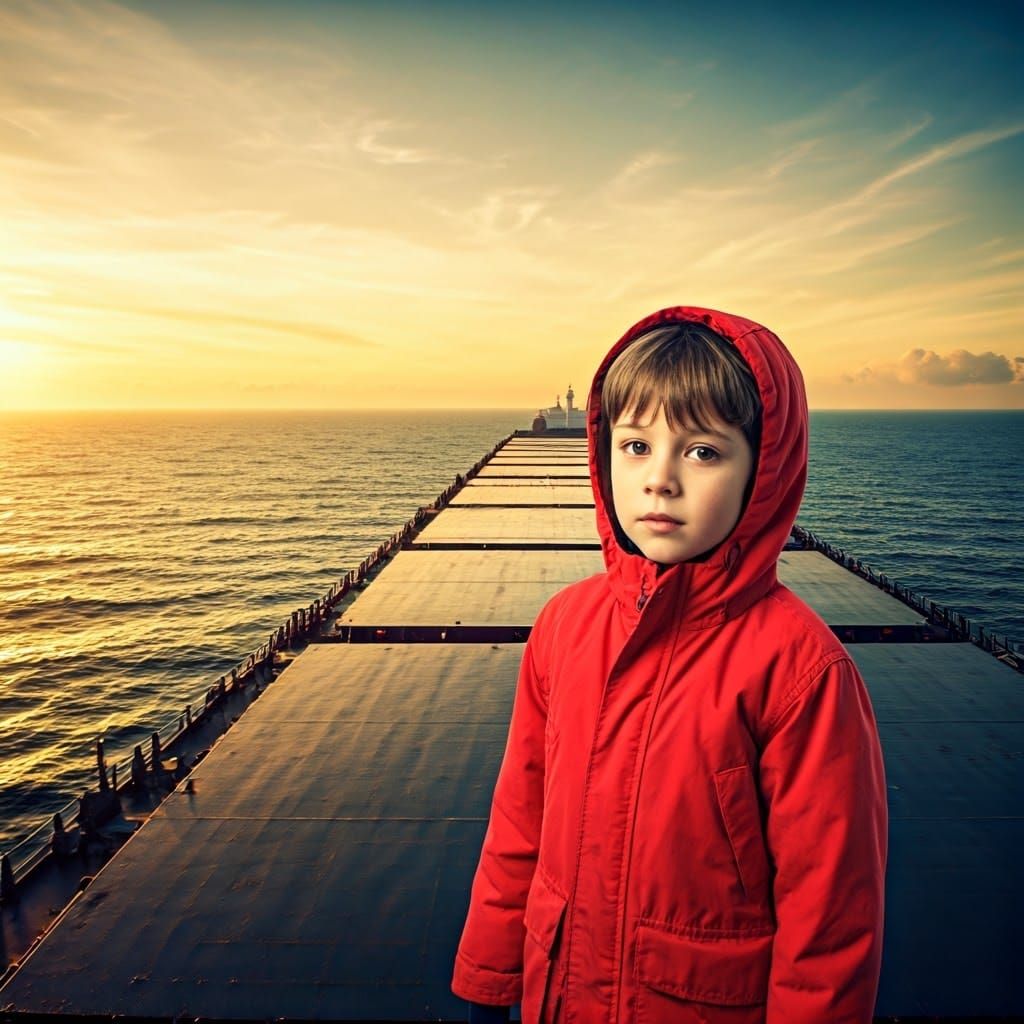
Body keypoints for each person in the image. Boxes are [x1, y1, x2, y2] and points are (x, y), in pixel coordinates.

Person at [451, 306, 888, 1023]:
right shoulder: (563, 626)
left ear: (766, 471)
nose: (659, 480)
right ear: (602, 453)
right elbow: (517, 826)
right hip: (555, 995)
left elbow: (830, 916)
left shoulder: (803, 669)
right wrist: (489, 980)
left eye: (703, 452)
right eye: (634, 446)